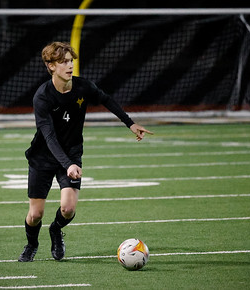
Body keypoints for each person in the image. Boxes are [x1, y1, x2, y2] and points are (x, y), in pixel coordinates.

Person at [18, 42, 153, 262]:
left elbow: (107, 99)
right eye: (63, 62)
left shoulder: (83, 87)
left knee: (68, 209)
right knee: (35, 215)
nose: (69, 66)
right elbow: (49, 136)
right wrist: (67, 164)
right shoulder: (42, 96)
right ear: (51, 66)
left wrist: (130, 123)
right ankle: (32, 244)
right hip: (43, 156)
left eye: (71, 61)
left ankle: (55, 230)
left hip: (71, 153)